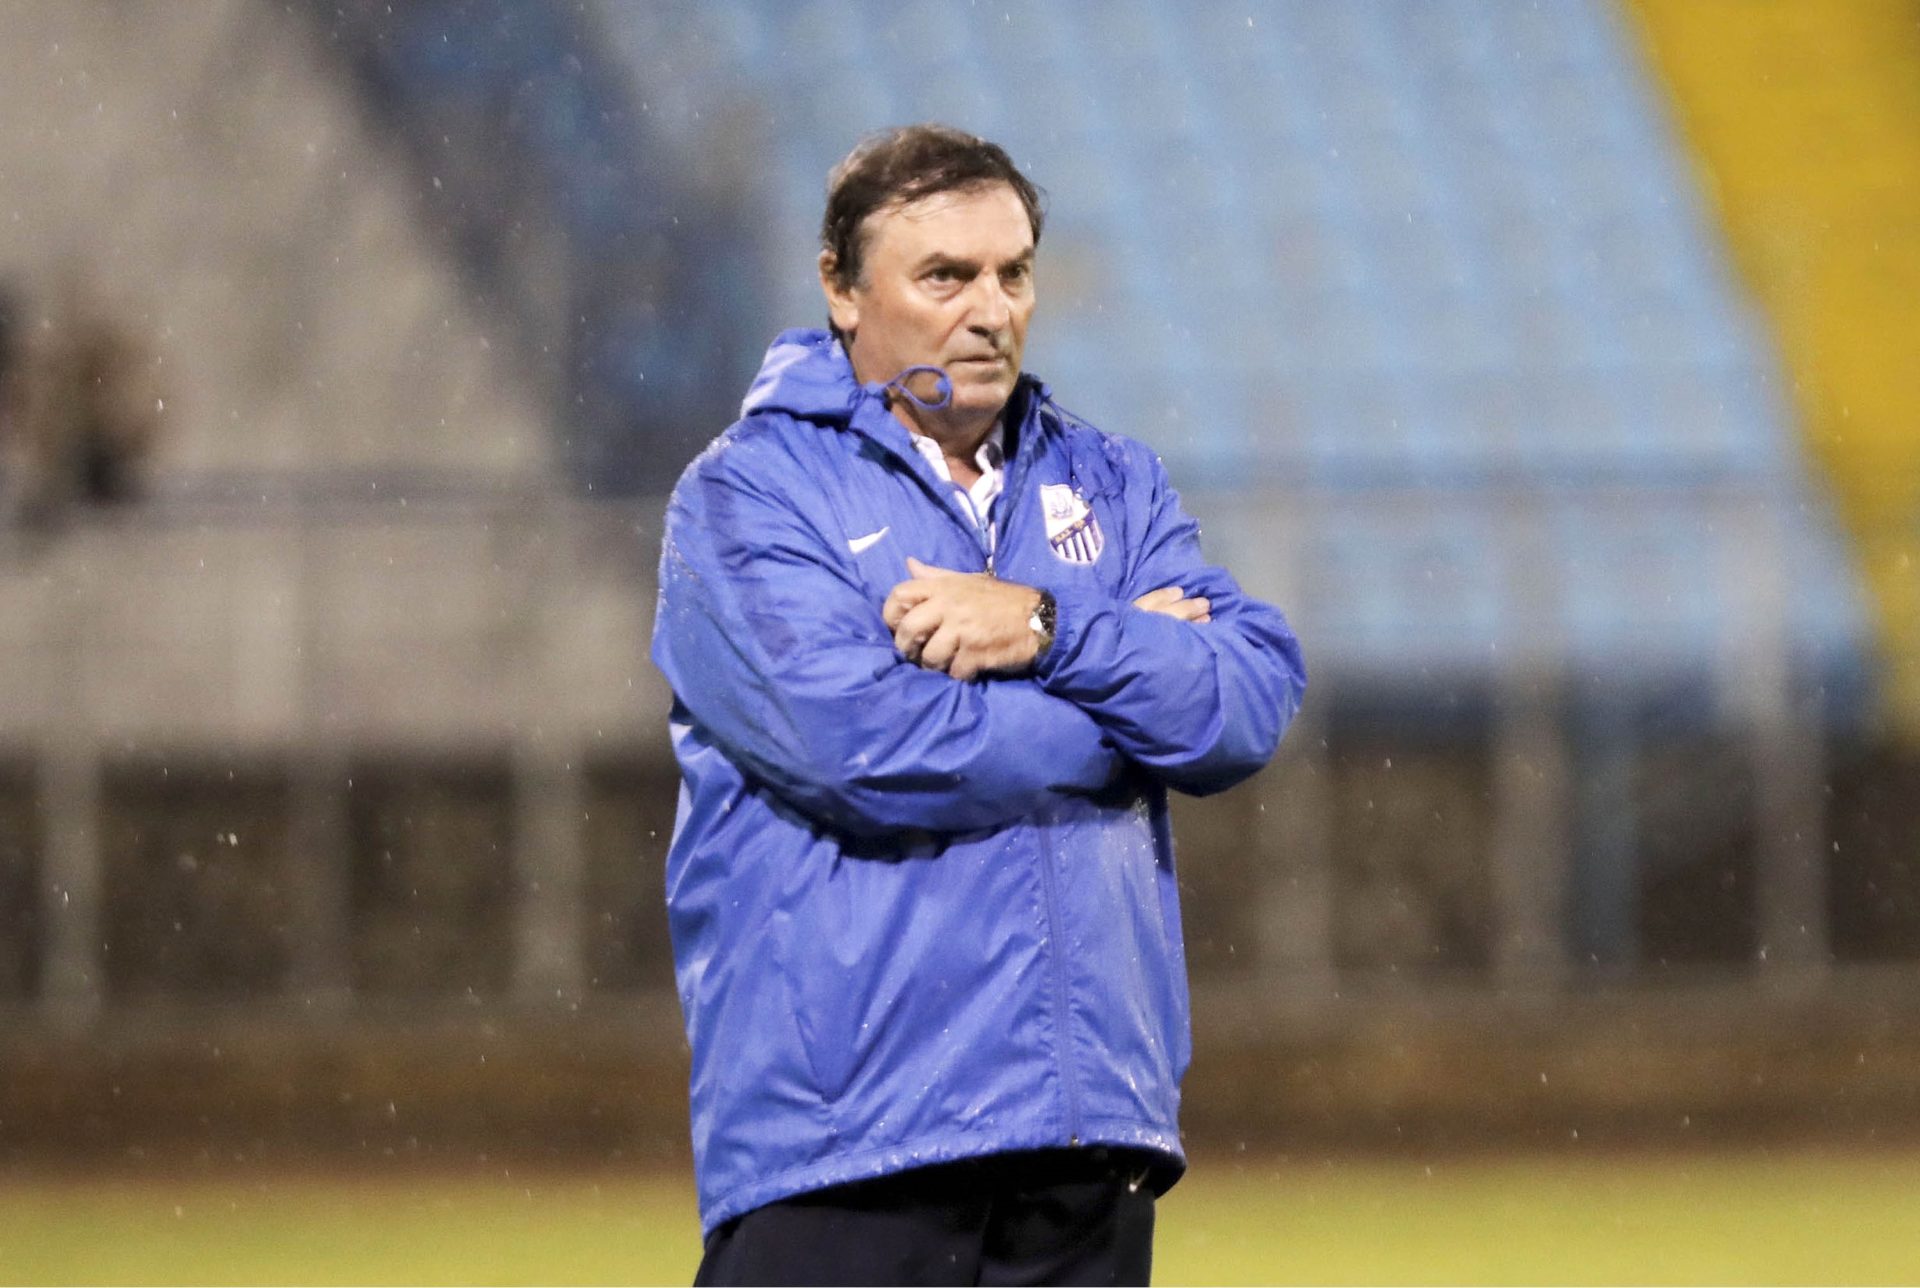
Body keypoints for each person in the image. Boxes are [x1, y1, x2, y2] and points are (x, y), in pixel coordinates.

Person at [652, 124, 1306, 1285]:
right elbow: (866, 750)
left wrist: (1046, 625)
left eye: (1014, 273)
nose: (991, 310)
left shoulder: (1111, 479)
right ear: (841, 290)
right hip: (848, 1144)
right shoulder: (746, 498)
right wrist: (1125, 714)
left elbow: (1247, 700)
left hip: (1085, 1140)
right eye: (946, 276)